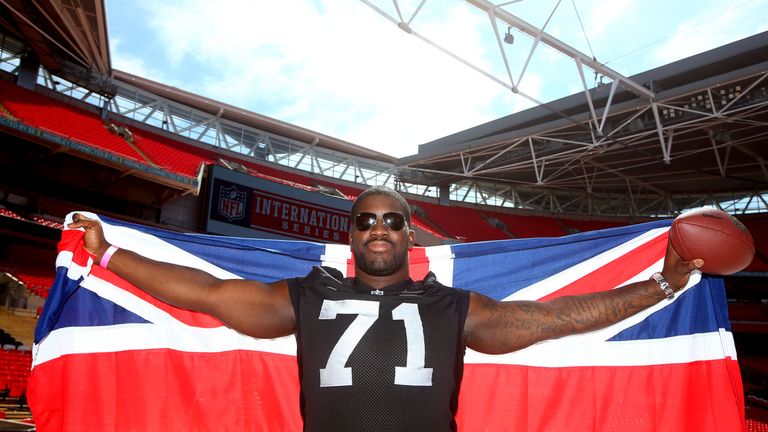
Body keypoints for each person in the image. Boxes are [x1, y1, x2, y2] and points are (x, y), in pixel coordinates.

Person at [69, 185, 703, 432]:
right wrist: (108, 253)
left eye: (392, 220)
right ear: (351, 235)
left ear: (409, 235)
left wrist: (663, 288)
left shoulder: (455, 308)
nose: (378, 228)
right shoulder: (308, 295)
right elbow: (207, 294)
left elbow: (552, 319)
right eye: (365, 220)